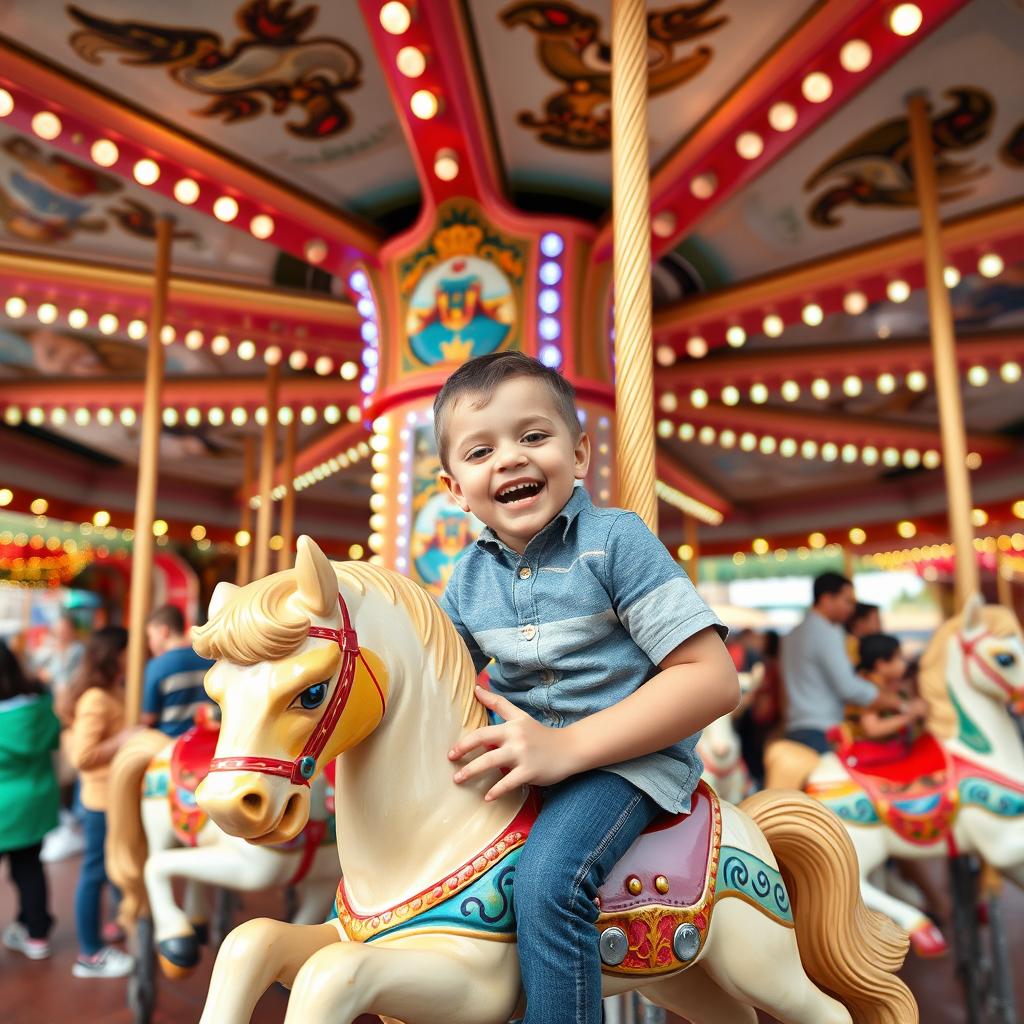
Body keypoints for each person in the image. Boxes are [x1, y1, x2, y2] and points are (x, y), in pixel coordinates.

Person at [434, 351, 738, 1024]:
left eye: (533, 436)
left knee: (547, 882)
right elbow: (431, 684)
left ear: (580, 454)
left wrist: (565, 749)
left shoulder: (614, 542)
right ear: (454, 488)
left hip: (626, 765)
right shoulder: (467, 582)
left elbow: (713, 679)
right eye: (481, 450)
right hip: (533, 770)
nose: (509, 458)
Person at [63, 626, 136, 978]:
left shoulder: (111, 691)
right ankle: (89, 953)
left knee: (110, 868)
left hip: (113, 797)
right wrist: (125, 738)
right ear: (116, 655)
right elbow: (82, 755)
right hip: (101, 799)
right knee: (94, 873)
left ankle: (107, 930)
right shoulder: (96, 698)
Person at [780, 573, 901, 754]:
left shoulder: (792, 635)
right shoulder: (826, 632)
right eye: (847, 601)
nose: (851, 609)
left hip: (796, 728)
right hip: (822, 731)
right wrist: (897, 703)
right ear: (827, 599)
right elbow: (848, 687)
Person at [0, 640, 61, 960]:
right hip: (34, 802)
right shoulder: (39, 701)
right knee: (29, 870)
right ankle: (36, 934)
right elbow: (54, 737)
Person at [844, 633, 927, 765]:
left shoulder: (885, 687)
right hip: (870, 759)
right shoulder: (869, 689)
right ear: (881, 664)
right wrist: (909, 716)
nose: (903, 663)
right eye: (899, 657)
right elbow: (872, 729)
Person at [141, 605, 214, 738]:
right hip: (208, 741)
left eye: (151, 636)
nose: (150, 643)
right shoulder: (209, 659)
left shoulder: (157, 666)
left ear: (164, 631)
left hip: (171, 746)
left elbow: (149, 718)